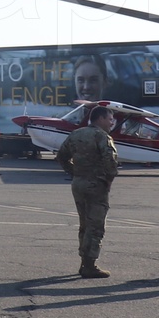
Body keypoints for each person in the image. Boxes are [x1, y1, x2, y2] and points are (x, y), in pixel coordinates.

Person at [58, 105, 119, 279]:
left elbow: (61, 156)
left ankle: (84, 261)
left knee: (84, 224)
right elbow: (111, 163)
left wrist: (74, 172)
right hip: (96, 185)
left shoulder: (76, 134)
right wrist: (108, 180)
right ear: (100, 119)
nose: (111, 123)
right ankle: (89, 265)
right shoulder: (102, 137)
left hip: (78, 183)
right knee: (96, 225)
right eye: (109, 119)